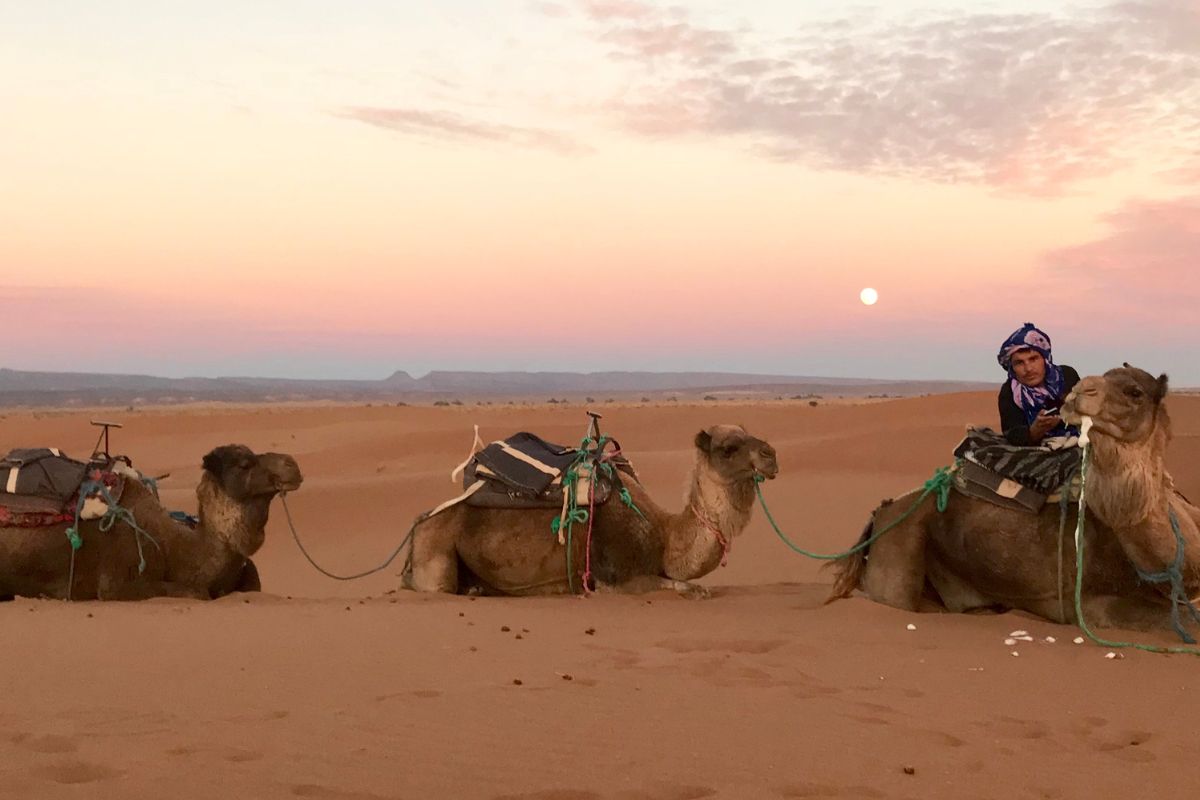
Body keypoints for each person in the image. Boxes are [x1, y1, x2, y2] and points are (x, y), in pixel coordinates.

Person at [996, 323, 1080, 446]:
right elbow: (1012, 435)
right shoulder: (1010, 392)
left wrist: (1063, 418)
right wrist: (1035, 431)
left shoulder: (1066, 376)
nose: (1028, 368)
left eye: (1033, 359)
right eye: (1019, 363)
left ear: (1045, 359)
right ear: (1012, 368)